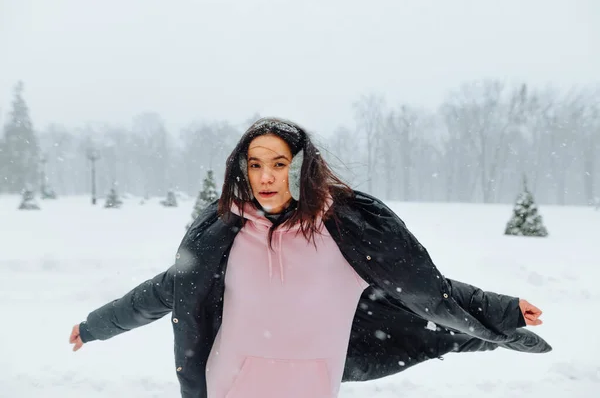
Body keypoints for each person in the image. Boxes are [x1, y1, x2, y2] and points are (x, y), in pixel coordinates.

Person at [69, 117, 550, 398]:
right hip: (229, 387)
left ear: (301, 168)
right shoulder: (222, 239)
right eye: (254, 164)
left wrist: (504, 308)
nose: (266, 177)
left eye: (279, 164)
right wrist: (94, 326)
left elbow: (423, 289)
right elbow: (157, 294)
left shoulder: (345, 236)